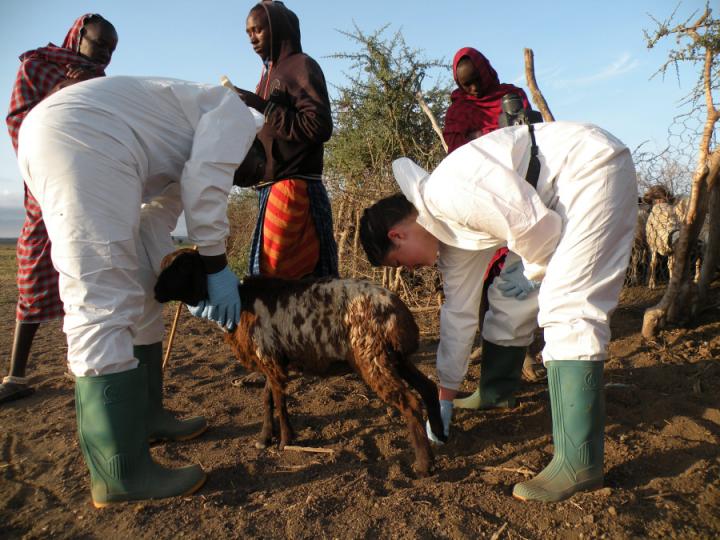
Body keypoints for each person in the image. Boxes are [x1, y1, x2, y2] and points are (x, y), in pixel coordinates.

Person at [17, 75, 263, 506]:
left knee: (135, 285)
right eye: (254, 171)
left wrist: (184, 285)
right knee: (101, 295)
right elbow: (207, 186)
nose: (243, 180)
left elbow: (154, 223)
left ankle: (146, 418)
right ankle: (121, 472)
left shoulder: (179, 136)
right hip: (83, 141)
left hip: (79, 141)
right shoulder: (236, 116)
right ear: (259, 142)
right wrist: (217, 266)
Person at [359, 121, 637, 502]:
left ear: (398, 235)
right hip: (549, 200)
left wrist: (547, 281)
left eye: (400, 263)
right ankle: (496, 391)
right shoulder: (448, 235)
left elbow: (538, 229)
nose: (410, 269)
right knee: (509, 294)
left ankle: (580, 462)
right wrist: (442, 400)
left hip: (589, 171)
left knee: (567, 302)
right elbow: (457, 316)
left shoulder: (447, 194)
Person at [1, 14, 118, 405]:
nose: (105, 56)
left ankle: (82, 365)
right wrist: (65, 90)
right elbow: (18, 121)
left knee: (84, 276)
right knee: (33, 271)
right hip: (46, 187)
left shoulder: (101, 82)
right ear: (79, 34)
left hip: (88, 189)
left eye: (111, 51)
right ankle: (17, 374)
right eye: (100, 45)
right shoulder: (37, 67)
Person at [441, 47, 541, 402]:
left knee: (525, 276)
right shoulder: (458, 109)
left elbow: (532, 137)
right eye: (464, 85)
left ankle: (525, 354)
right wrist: (492, 140)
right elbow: (456, 152)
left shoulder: (511, 96)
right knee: (488, 284)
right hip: (482, 199)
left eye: (475, 83)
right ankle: (496, 373)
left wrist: (508, 134)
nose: (471, 91)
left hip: (521, 193)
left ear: (485, 73)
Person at [235, 0, 337, 280]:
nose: (252, 38)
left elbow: (319, 126)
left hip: (293, 191)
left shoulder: (301, 66)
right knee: (276, 285)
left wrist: (262, 106)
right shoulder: (267, 77)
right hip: (270, 191)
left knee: (287, 286)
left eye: (258, 30)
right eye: (248, 33)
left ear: (277, 29)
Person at [442, 47, 531, 153]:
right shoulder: (457, 112)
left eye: (477, 79)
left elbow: (529, 132)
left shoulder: (513, 95)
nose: (474, 88)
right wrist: (502, 131)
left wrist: (477, 136)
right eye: (467, 84)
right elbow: (457, 152)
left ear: (485, 70)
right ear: (459, 84)